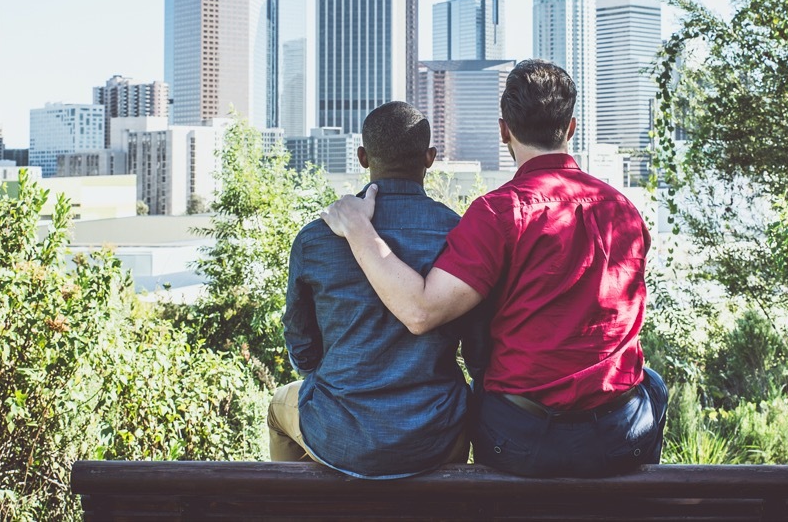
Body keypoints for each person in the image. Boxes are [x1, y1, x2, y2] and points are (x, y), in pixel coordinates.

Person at [320, 59, 668, 477]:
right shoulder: (624, 211)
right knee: (653, 385)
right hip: (621, 435)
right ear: (571, 128)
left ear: (505, 130)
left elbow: (420, 311)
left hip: (524, 441)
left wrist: (359, 229)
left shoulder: (500, 213)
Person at [267, 101, 472, 478]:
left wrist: (332, 379)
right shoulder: (461, 235)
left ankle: (288, 502)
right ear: (430, 158)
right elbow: (477, 343)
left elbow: (300, 341)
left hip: (339, 433)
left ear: (363, 156)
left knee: (278, 407)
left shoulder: (317, 238)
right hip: (435, 436)